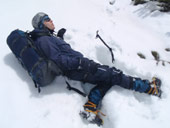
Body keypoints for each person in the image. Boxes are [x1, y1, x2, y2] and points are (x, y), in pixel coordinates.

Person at [30, 12, 162, 126]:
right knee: (115, 74)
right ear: (41, 25)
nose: (51, 20)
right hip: (79, 68)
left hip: (79, 67)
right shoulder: (44, 40)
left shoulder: (47, 38)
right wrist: (81, 63)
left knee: (107, 78)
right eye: (47, 19)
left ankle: (91, 107)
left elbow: (59, 53)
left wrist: (59, 39)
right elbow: (58, 60)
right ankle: (149, 88)